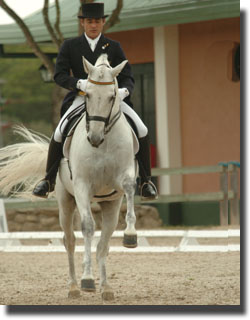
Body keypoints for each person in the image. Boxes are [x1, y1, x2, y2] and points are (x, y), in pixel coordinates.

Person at [33, 2, 158, 200]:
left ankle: (145, 181)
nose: (93, 25)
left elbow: (127, 76)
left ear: (103, 23)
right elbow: (60, 75)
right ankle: (48, 180)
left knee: (141, 129)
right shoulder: (70, 45)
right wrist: (79, 84)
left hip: (110, 99)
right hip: (82, 98)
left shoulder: (114, 47)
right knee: (59, 132)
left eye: (97, 21)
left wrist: (124, 90)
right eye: (90, 21)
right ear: (83, 23)